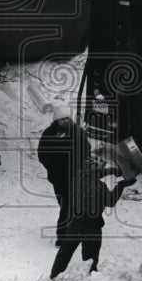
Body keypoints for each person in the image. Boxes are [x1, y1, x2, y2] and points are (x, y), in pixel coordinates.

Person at [49, 158, 135, 279]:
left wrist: (110, 171)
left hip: (75, 222)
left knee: (65, 252)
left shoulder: (77, 177)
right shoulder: (100, 187)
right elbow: (110, 201)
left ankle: (54, 275)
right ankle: (90, 280)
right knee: (90, 258)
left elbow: (93, 173)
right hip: (92, 226)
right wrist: (121, 185)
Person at [38, 102, 92, 244]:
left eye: (67, 118)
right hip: (59, 177)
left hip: (77, 176)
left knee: (70, 205)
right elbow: (42, 154)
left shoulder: (78, 131)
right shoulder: (49, 134)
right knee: (64, 204)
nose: (66, 121)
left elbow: (87, 149)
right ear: (56, 120)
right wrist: (52, 167)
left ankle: (63, 237)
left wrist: (83, 165)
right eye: (63, 119)